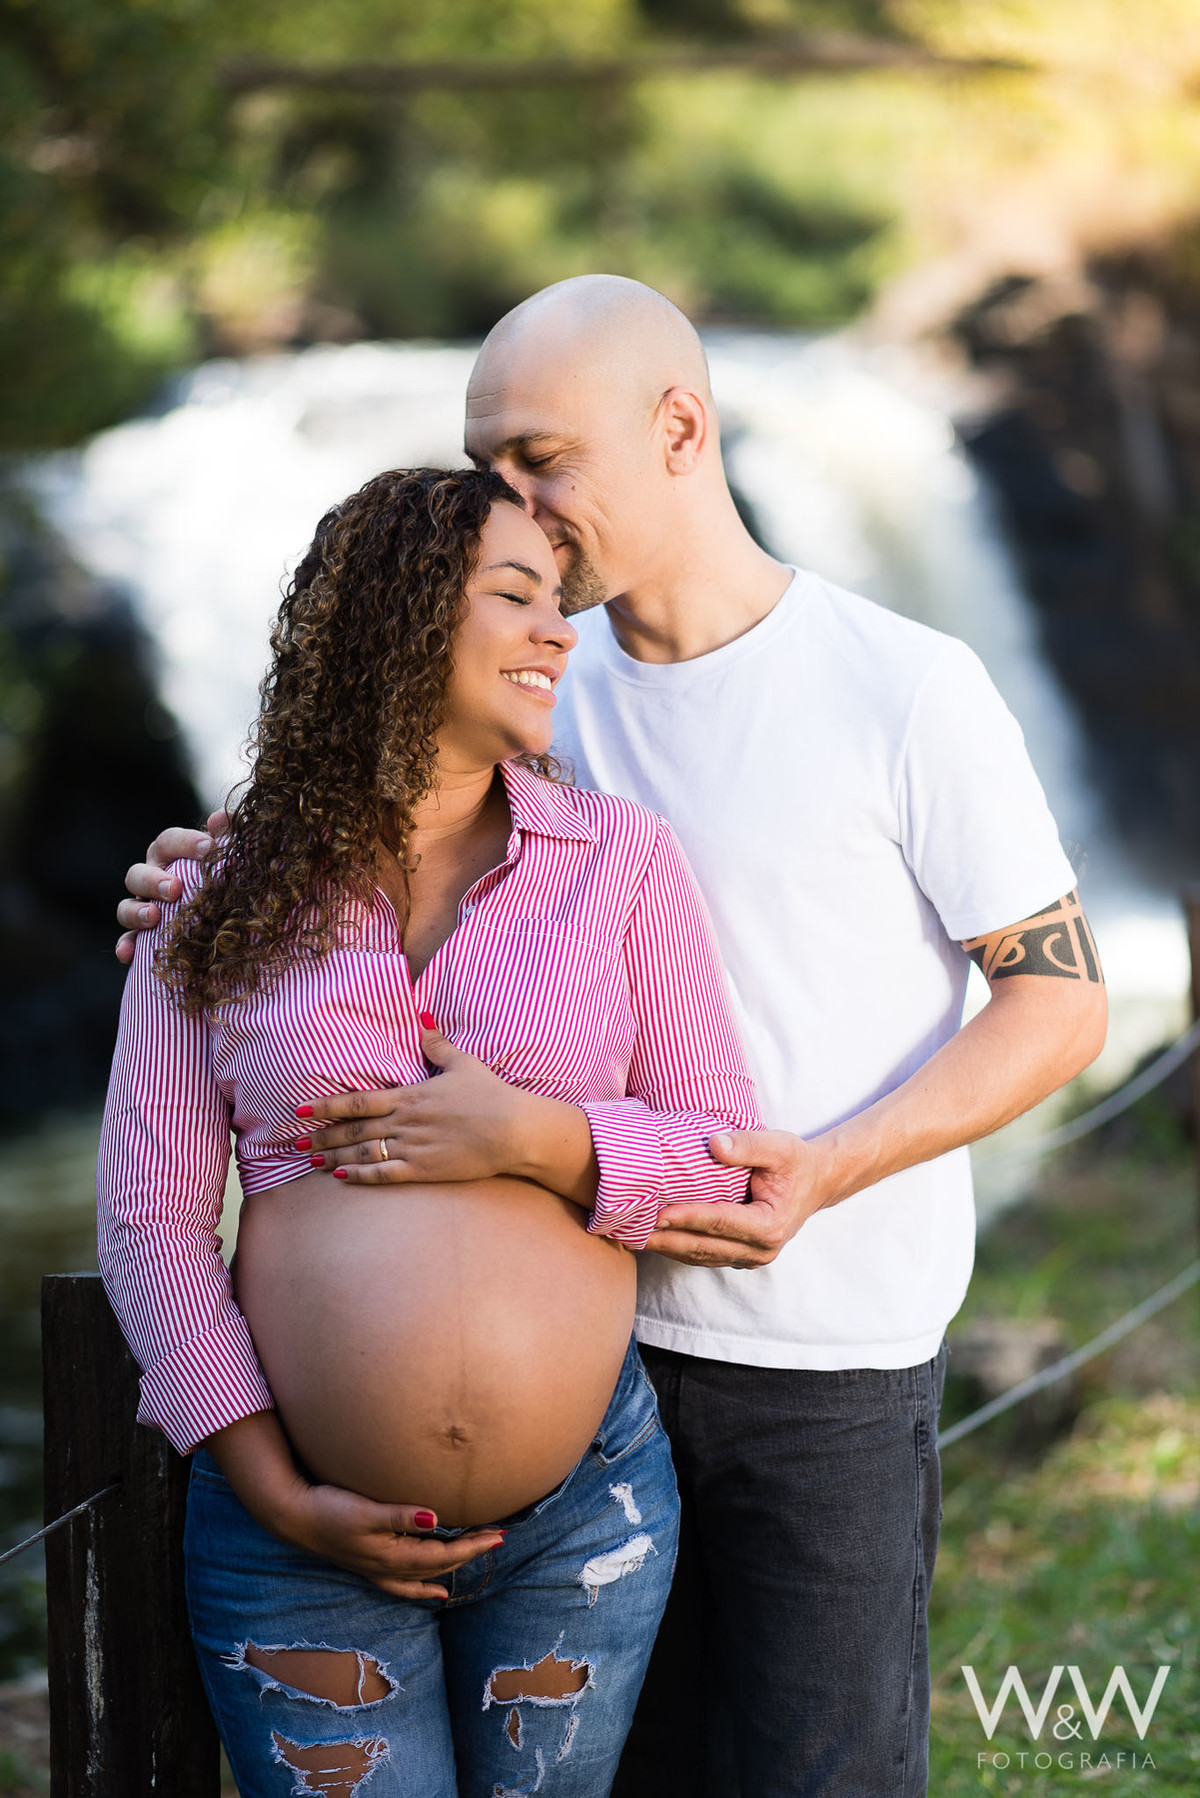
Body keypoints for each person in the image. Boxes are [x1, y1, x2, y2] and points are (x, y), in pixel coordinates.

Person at [119, 277, 1108, 1798]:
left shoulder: (901, 687)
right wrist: (209, 875)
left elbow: (1063, 999)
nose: (509, 506)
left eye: (538, 459)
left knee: (819, 1772)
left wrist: (826, 1170)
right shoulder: (538, 689)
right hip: (605, 1374)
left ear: (679, 427)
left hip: (821, 1355)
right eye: (488, 467)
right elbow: (369, 805)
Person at [99, 465, 763, 1798]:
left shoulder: (622, 863)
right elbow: (150, 1213)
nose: (559, 630)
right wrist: (275, 1484)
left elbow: (726, 1165)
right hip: (297, 1533)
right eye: (517, 594)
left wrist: (529, 1137)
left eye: (560, 599)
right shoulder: (216, 891)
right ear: (399, 621)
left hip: (582, 1515)